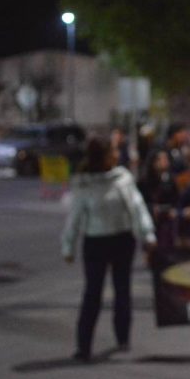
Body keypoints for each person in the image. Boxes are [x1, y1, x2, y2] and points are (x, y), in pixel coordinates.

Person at [61, 136, 156, 362]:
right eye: (112, 151)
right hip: (95, 243)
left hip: (122, 240)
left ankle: (122, 337)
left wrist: (147, 234)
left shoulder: (122, 178)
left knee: (122, 290)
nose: (116, 154)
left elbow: (137, 207)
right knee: (92, 293)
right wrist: (68, 246)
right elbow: (74, 217)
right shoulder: (85, 184)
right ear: (101, 157)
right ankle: (84, 347)